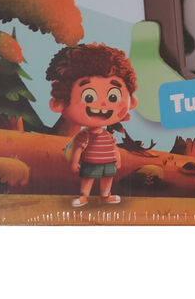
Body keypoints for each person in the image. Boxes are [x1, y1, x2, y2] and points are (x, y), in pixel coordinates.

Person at [46, 43, 138, 207]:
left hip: (108, 162)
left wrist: (117, 158)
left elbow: (113, 147)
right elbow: (78, 148)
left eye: (113, 96)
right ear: (59, 103)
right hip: (91, 162)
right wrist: (75, 162)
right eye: (89, 97)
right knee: (88, 178)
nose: (103, 103)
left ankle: (106, 195)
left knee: (108, 178)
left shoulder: (107, 136)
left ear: (131, 102)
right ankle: (84, 196)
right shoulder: (85, 135)